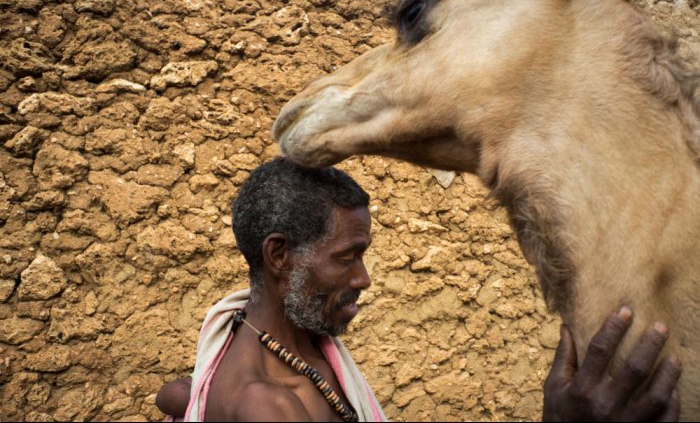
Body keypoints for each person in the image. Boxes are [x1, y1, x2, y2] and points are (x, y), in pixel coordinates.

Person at [157, 157, 681, 422]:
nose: (363, 278)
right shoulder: (268, 408)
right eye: (347, 257)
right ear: (279, 256)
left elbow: (180, 394)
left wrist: (188, 401)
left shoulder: (261, 344)